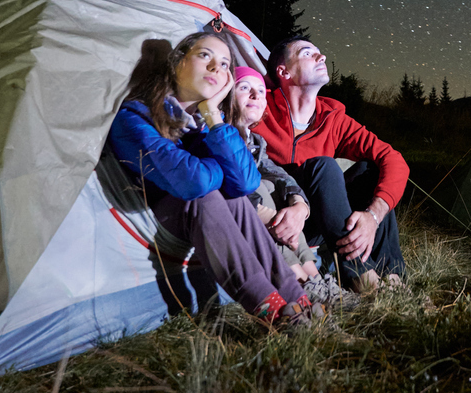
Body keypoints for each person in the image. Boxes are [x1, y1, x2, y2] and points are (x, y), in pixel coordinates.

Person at [106, 29, 321, 325]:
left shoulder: (204, 124)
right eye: (204, 56)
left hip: (202, 212)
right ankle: (268, 307)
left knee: (234, 197)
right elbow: (193, 182)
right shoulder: (135, 117)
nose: (214, 68)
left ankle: (296, 297)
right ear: (177, 62)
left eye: (224, 65)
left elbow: (246, 183)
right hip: (162, 213)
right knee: (207, 194)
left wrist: (214, 116)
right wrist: (220, 167)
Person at [254, 37, 408, 292]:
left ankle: (392, 279)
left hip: (318, 219)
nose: (321, 57)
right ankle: (363, 278)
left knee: (371, 171)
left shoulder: (332, 118)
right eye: (307, 53)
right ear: (284, 71)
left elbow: (394, 159)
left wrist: (372, 216)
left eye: (320, 53)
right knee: (322, 166)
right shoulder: (259, 107)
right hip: (283, 218)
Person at [224, 66, 357, 307]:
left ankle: (315, 278)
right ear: (226, 95)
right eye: (244, 88)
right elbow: (235, 183)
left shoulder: (255, 141)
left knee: (276, 188)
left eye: (261, 91)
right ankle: (298, 279)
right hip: (240, 210)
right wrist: (275, 219)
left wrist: (298, 202)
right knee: (262, 187)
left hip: (266, 215)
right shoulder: (219, 134)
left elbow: (277, 173)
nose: (256, 95)